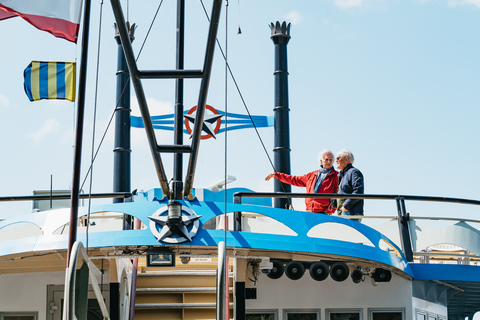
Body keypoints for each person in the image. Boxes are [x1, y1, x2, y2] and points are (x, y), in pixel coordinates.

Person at [265, 149, 338, 214]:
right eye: (326, 159)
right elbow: (295, 180)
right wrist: (277, 175)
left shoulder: (336, 176)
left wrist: (329, 211)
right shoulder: (312, 175)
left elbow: (338, 196)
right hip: (309, 212)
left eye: (331, 160)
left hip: (324, 214)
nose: (329, 162)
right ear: (321, 161)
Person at [335, 149, 364, 221]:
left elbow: (358, 191)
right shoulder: (342, 175)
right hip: (343, 213)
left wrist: (345, 206)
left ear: (346, 159)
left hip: (350, 213)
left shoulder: (354, 172)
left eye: (338, 158)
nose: (336, 161)